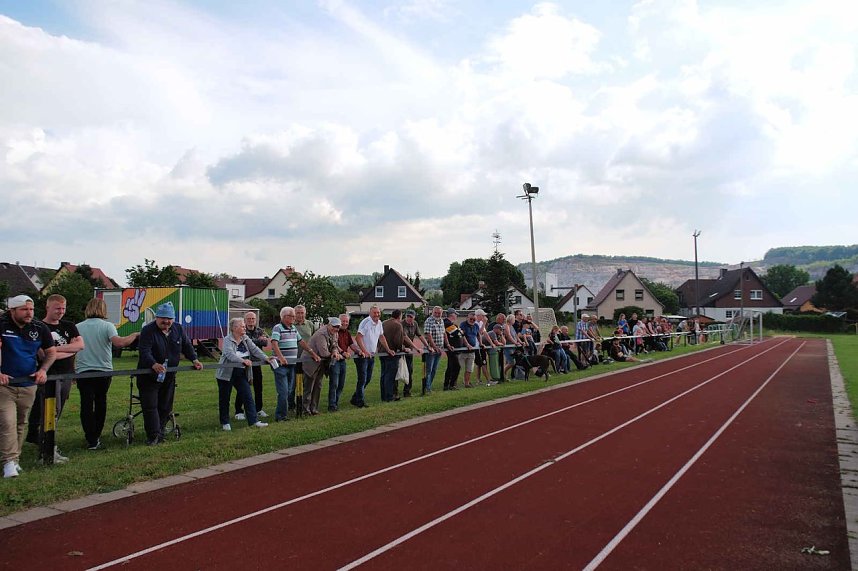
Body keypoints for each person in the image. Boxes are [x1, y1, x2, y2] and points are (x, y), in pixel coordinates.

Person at [0, 295, 54, 478]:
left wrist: (43, 370)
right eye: (24, 309)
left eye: (31, 309)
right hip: (5, 384)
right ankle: (8, 462)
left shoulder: (39, 328)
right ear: (12, 310)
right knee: (7, 421)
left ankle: (14, 460)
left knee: (21, 422)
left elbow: (51, 352)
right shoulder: (2, 324)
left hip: (28, 383)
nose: (29, 313)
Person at [74, 298, 139, 450]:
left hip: (83, 371)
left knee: (86, 405)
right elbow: (119, 343)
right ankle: (96, 434)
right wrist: (134, 335)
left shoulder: (78, 327)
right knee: (100, 402)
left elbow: (73, 350)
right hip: (103, 370)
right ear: (103, 310)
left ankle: (90, 437)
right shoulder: (107, 326)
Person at [27, 294, 84, 463]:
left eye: (63, 308)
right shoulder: (39, 326)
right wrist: (64, 351)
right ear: (48, 307)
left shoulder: (69, 326)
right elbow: (42, 354)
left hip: (65, 374)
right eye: (57, 308)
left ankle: (47, 445)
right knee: (50, 410)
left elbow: (80, 346)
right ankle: (46, 449)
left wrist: (55, 351)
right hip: (47, 375)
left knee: (57, 412)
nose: (61, 312)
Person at [136, 302, 203, 446]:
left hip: (169, 376)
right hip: (149, 377)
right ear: (157, 318)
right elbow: (144, 351)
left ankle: (161, 432)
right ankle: (153, 436)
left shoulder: (178, 328)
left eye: (169, 320)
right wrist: (153, 364)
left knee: (165, 406)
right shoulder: (148, 330)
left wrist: (194, 359)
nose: (166, 323)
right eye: (163, 320)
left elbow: (186, 345)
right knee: (150, 406)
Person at [216, 318, 269, 431]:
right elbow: (229, 354)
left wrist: (267, 358)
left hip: (241, 373)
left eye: (244, 326)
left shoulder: (245, 338)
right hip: (226, 373)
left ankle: (253, 421)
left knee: (247, 395)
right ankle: (225, 422)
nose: (244, 328)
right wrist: (242, 361)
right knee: (225, 398)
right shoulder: (227, 340)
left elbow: (255, 350)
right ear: (234, 328)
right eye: (242, 326)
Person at [269, 306, 312, 422]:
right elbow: (274, 343)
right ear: (283, 317)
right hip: (281, 366)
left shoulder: (293, 328)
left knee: (289, 390)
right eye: (291, 316)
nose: (294, 318)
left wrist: (312, 352)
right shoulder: (277, 328)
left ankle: (285, 411)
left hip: (292, 365)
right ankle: (280, 416)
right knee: (283, 392)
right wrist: (281, 357)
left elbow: (301, 342)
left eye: (294, 316)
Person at [234, 312, 269, 421]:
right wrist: (259, 340)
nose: (251, 320)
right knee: (243, 387)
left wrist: (260, 341)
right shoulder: (242, 331)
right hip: (244, 363)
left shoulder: (260, 330)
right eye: (248, 319)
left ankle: (258, 409)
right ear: (245, 320)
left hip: (257, 363)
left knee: (258, 387)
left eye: (253, 318)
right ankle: (239, 411)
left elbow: (265, 343)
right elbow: (243, 342)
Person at [350, 305, 386, 408]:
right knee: (362, 379)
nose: (377, 315)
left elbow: (382, 337)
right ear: (370, 313)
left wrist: (388, 349)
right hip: (363, 356)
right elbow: (358, 337)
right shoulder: (366, 322)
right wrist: (364, 351)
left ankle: (355, 398)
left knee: (368, 378)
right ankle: (360, 401)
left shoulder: (379, 323)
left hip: (371, 355)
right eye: (375, 313)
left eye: (378, 313)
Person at [300, 318, 334, 415]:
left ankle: (314, 409)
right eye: (334, 327)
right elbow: (323, 352)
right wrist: (333, 354)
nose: (336, 329)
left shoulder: (334, 332)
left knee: (318, 386)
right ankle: (305, 410)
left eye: (337, 327)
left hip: (320, 363)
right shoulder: (321, 333)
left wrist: (335, 351)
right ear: (329, 325)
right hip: (310, 362)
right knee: (309, 387)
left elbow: (335, 344)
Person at [379, 310, 414, 402]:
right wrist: (403, 348)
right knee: (390, 376)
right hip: (392, 353)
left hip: (382, 352)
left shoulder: (383, 323)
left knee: (383, 375)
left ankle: (383, 396)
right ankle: (389, 396)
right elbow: (397, 341)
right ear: (399, 316)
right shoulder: (398, 325)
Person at [328, 313, 357, 411]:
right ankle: (332, 405)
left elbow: (352, 344)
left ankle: (335, 402)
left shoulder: (347, 332)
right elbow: (334, 344)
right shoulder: (335, 331)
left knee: (341, 384)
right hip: (335, 360)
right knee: (334, 383)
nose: (345, 323)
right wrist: (343, 352)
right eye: (343, 321)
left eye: (346, 321)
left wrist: (359, 351)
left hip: (343, 360)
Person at [292, 305, 317, 411]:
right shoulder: (291, 325)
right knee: (293, 384)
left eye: (302, 313)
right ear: (294, 314)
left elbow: (316, 337)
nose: (300, 315)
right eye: (298, 313)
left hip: (307, 359)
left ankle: (303, 404)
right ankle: (291, 404)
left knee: (307, 383)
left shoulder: (310, 324)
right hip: (294, 358)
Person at [401, 310, 428, 397]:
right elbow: (405, 338)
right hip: (400, 350)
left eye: (411, 317)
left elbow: (420, 335)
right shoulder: (401, 324)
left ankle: (407, 391)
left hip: (410, 351)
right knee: (398, 371)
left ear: (414, 317)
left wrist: (427, 346)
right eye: (408, 316)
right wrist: (417, 348)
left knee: (409, 370)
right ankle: (395, 392)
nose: (409, 318)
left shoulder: (415, 324)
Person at [421, 306, 446, 394]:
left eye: (439, 313)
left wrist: (447, 345)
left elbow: (444, 333)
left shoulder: (441, 321)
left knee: (434, 369)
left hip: (439, 349)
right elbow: (428, 335)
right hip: (430, 349)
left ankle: (429, 386)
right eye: (435, 312)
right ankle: (427, 388)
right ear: (432, 312)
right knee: (429, 369)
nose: (437, 314)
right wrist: (435, 347)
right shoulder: (429, 321)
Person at [443, 309, 463, 390]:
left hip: (453, 348)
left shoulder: (450, 323)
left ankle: (447, 385)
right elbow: (458, 334)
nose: (456, 316)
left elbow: (459, 333)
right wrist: (460, 331)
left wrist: (459, 330)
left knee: (451, 366)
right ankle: (451, 385)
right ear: (451, 315)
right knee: (456, 366)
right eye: (455, 314)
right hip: (451, 348)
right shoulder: (447, 323)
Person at [458, 312, 480, 388]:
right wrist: (467, 344)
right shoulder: (463, 325)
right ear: (467, 318)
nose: (472, 320)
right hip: (462, 351)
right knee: (458, 367)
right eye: (471, 319)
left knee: (469, 369)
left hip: (472, 351)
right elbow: (462, 335)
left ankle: (466, 383)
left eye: (474, 319)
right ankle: (452, 383)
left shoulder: (476, 325)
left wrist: (480, 343)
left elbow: (478, 334)